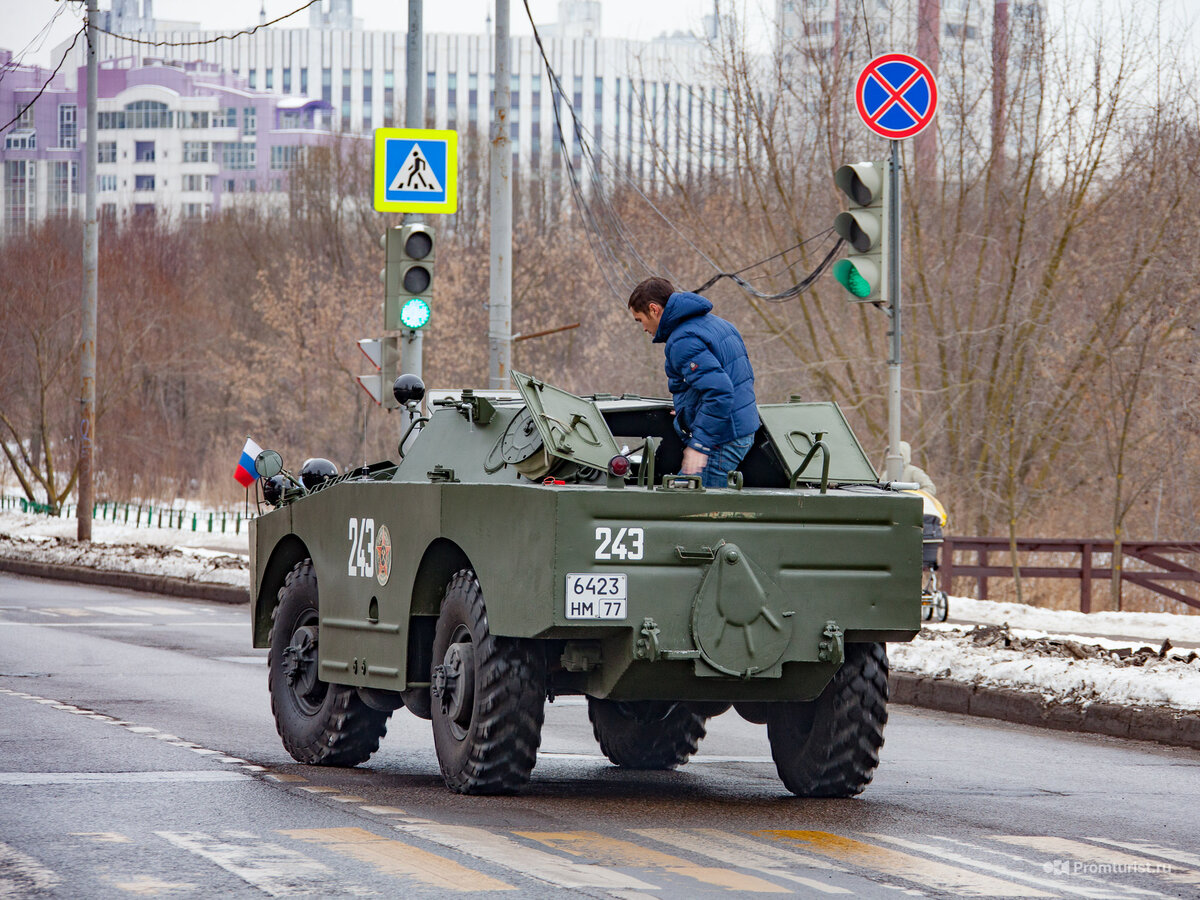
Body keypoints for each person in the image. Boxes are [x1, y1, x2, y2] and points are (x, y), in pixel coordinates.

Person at [628, 276, 759, 487]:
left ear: (654, 309)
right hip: (739, 430)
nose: (643, 327)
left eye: (639, 319)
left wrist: (700, 445)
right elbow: (733, 379)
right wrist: (687, 409)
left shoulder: (683, 340)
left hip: (721, 440)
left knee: (681, 511)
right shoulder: (717, 324)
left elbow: (720, 391)